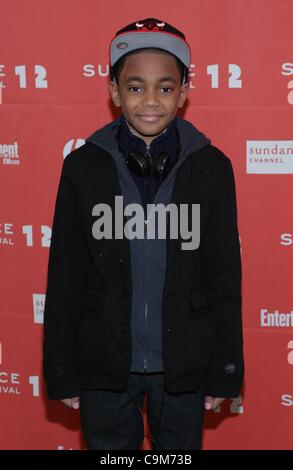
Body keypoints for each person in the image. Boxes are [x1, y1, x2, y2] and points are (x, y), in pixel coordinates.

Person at [43, 17, 244, 450]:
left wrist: (225, 368)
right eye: (135, 87)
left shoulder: (212, 167)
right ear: (114, 92)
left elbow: (224, 276)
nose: (150, 100)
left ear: (184, 92)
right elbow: (64, 274)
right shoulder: (82, 167)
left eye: (165, 87)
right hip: (103, 364)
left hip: (184, 365)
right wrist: (61, 370)